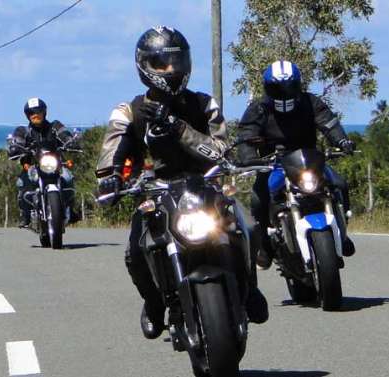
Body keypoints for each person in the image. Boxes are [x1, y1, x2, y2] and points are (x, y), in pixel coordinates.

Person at [96, 26, 269, 340]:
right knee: (136, 251)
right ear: (145, 66)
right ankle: (152, 303)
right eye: (162, 63)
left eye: (177, 61)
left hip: (206, 186)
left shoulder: (204, 104)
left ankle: (250, 288)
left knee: (251, 228)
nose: (172, 70)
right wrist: (109, 180)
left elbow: (218, 149)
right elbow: (112, 151)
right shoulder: (128, 111)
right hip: (157, 191)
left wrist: (177, 127)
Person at [237, 60, 357, 270]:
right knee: (258, 200)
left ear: (298, 85)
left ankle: (343, 233)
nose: (284, 93)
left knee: (340, 184)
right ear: (267, 88)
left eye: (289, 87)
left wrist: (342, 141)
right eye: (277, 88)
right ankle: (265, 247)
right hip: (273, 164)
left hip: (309, 161)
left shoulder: (310, 102)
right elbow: (247, 135)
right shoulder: (259, 109)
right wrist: (248, 157)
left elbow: (329, 123)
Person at [7, 97, 79, 228]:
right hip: (33, 165)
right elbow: (17, 141)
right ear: (27, 115)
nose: (35, 115)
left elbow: (64, 134)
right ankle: (26, 215)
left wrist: (71, 141)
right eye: (31, 113)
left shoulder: (54, 126)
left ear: (44, 112)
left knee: (68, 178)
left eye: (38, 111)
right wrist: (15, 148)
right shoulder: (23, 131)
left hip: (55, 164)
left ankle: (70, 210)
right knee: (22, 183)